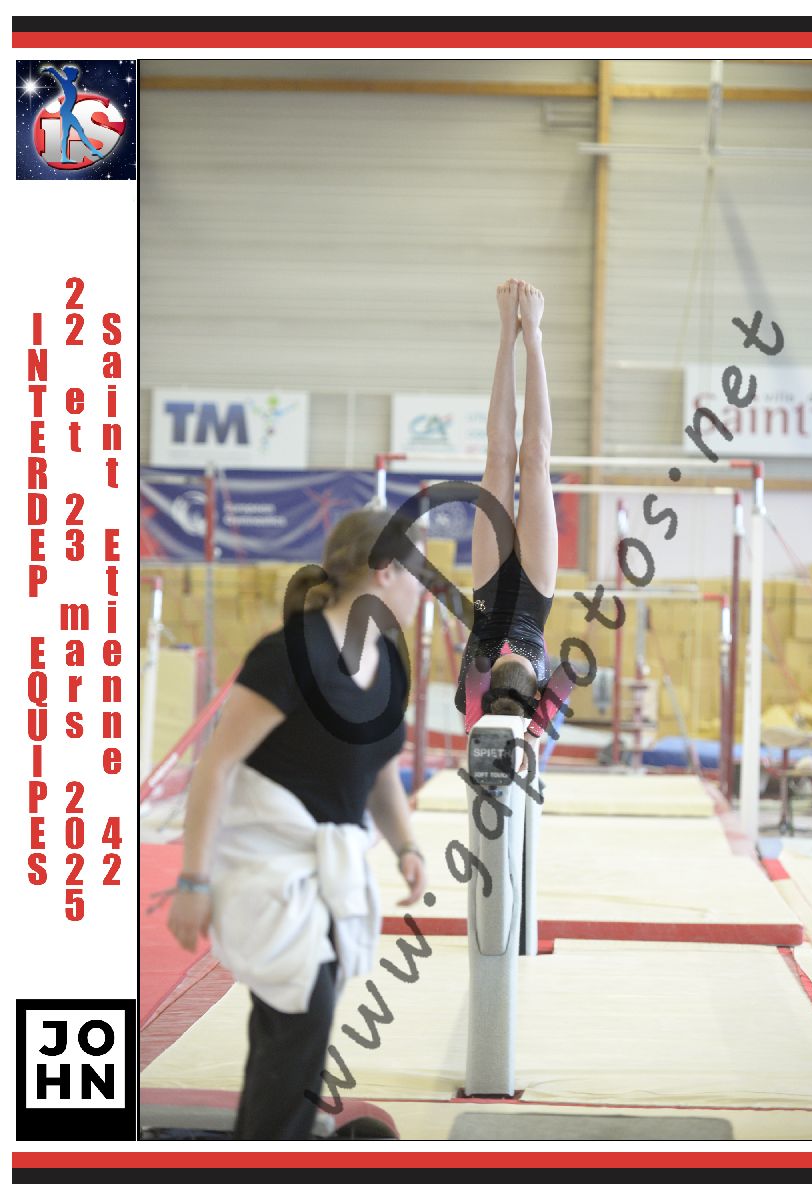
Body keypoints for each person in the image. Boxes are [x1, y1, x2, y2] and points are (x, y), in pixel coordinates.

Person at [167, 508, 428, 1139]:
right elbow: (217, 765)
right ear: (386, 570)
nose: (426, 592)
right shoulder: (292, 653)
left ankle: (264, 1145)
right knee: (301, 1017)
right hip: (268, 866)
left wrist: (407, 848)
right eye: (420, 575)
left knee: (290, 1030)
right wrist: (193, 880)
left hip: (329, 874)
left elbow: (377, 769)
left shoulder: (387, 662)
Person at [453, 280, 573, 755]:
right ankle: (532, 339)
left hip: (492, 586)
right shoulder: (521, 700)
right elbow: (569, 672)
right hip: (531, 591)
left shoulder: (472, 697)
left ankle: (510, 334)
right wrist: (535, 728)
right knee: (534, 460)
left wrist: (530, 722)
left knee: (503, 457)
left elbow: (570, 674)